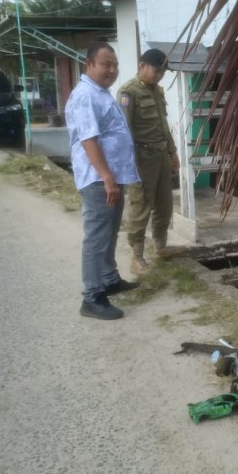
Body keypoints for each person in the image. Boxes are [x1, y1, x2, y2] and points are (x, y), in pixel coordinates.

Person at [65, 42, 141, 320]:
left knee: (109, 231)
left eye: (115, 64)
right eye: (105, 64)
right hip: (99, 178)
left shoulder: (100, 93)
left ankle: (109, 279)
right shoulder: (86, 95)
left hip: (111, 176)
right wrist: (108, 178)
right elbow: (88, 138)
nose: (112, 70)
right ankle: (92, 296)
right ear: (89, 64)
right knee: (97, 237)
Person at [116, 48, 180, 274]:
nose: (160, 75)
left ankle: (160, 247)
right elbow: (124, 132)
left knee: (165, 205)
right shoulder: (128, 92)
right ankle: (136, 256)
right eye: (157, 70)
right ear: (142, 65)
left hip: (161, 155)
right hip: (142, 159)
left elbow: (164, 126)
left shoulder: (156, 91)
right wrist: (130, 164)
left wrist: (173, 153)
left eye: (163, 72)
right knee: (141, 206)